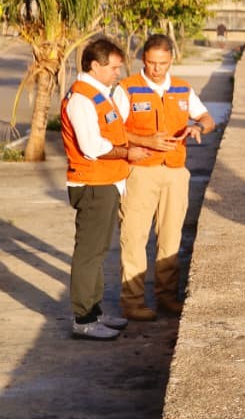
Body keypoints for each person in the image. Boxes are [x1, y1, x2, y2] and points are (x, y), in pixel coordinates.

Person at [117, 34, 215, 321]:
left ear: (171, 59)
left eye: (162, 63)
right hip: (140, 172)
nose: (157, 69)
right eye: (151, 63)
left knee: (171, 239)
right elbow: (113, 130)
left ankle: (167, 297)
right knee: (134, 238)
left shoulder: (182, 89)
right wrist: (144, 140)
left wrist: (198, 127)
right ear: (143, 60)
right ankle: (132, 301)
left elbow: (207, 119)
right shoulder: (127, 89)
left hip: (175, 172)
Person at [61, 37, 151, 340]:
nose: (117, 73)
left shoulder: (100, 93)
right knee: (89, 253)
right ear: (94, 65)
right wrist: (128, 153)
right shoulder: (82, 98)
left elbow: (112, 132)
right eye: (113, 68)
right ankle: (84, 319)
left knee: (98, 251)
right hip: (92, 184)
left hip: (106, 182)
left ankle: (95, 311)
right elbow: (92, 147)